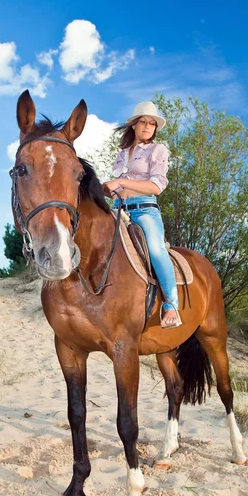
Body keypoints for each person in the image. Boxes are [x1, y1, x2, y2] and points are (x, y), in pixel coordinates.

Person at [104, 101, 181, 329]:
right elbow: (118, 188)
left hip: (144, 210)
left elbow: (157, 186)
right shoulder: (121, 154)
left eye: (152, 123)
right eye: (143, 122)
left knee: (156, 250)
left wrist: (120, 181)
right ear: (134, 126)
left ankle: (172, 305)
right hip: (118, 209)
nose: (148, 126)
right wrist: (106, 190)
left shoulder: (158, 150)